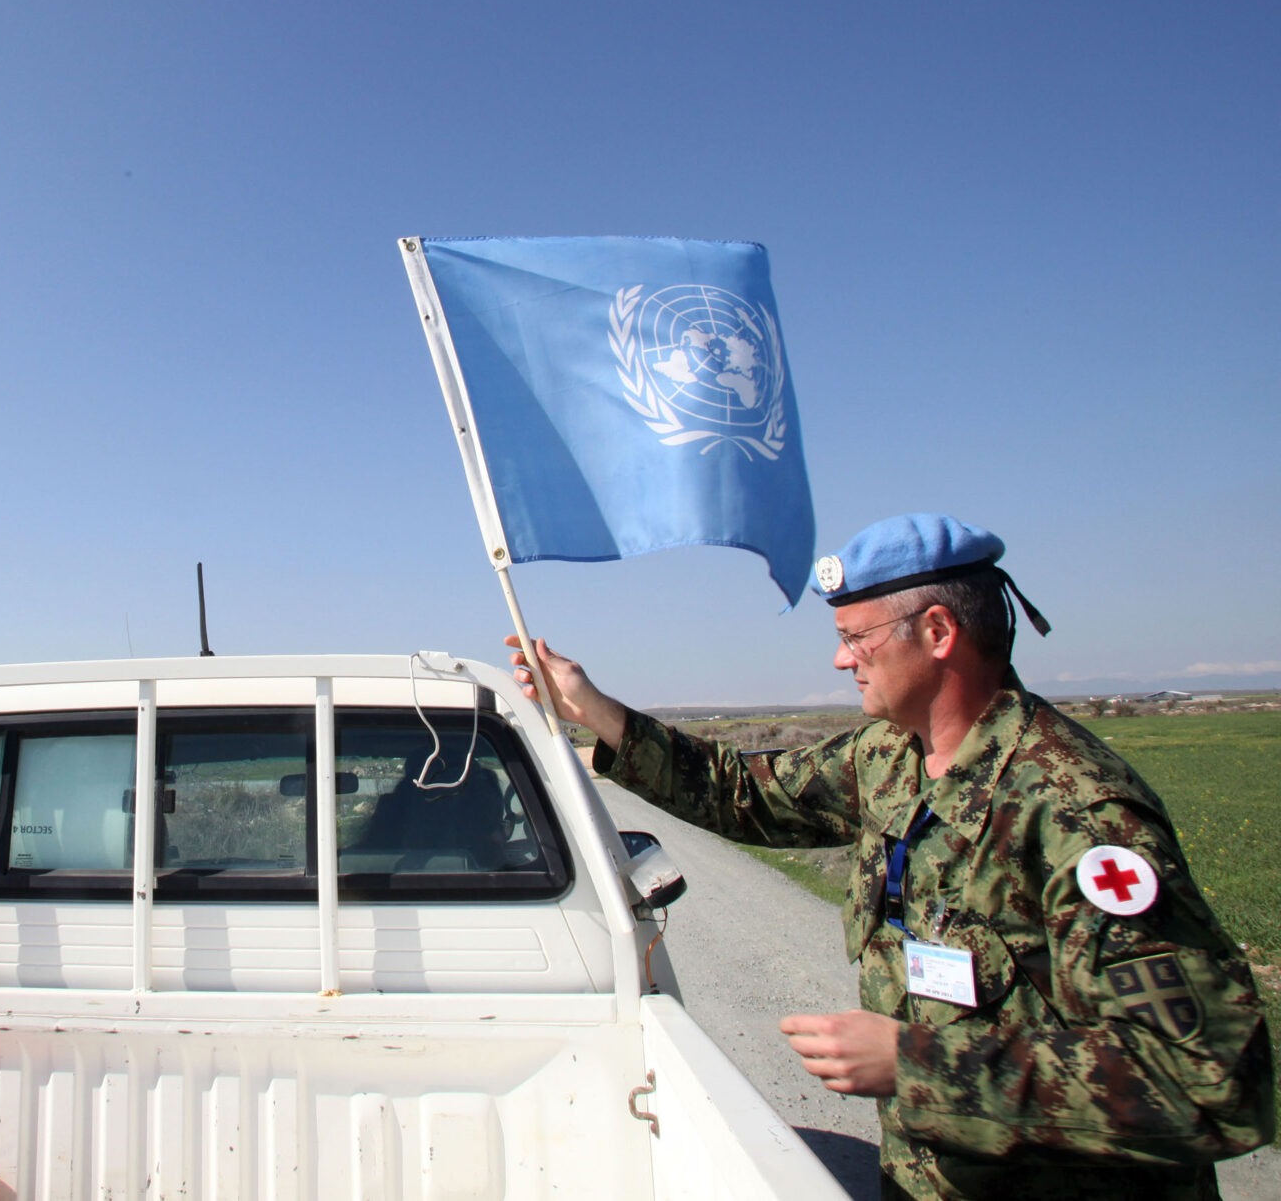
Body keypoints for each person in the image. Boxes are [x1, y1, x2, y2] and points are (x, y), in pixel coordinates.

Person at [508, 513, 1273, 1200]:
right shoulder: (891, 755)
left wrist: (918, 1061)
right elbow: (744, 793)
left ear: (938, 631)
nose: (842, 661)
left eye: (856, 637)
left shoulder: (1073, 809)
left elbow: (1210, 1081)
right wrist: (592, 707)